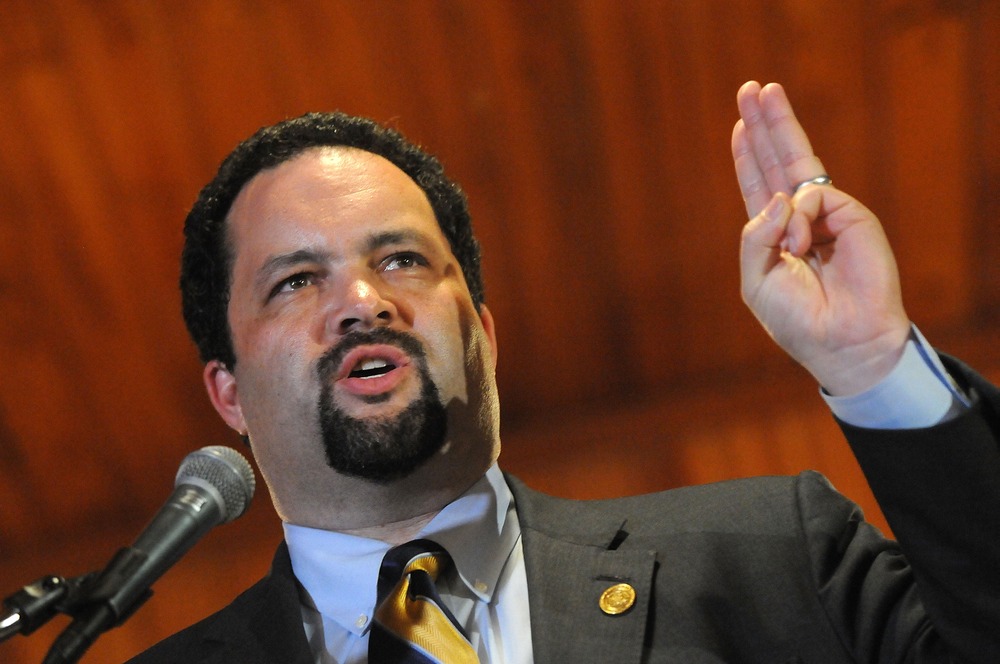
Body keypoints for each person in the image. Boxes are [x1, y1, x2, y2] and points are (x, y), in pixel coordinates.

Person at [128, 82, 1000, 663]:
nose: (360, 301)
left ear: (486, 337)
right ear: (228, 392)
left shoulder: (772, 554)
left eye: (400, 260)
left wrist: (875, 365)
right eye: (295, 280)